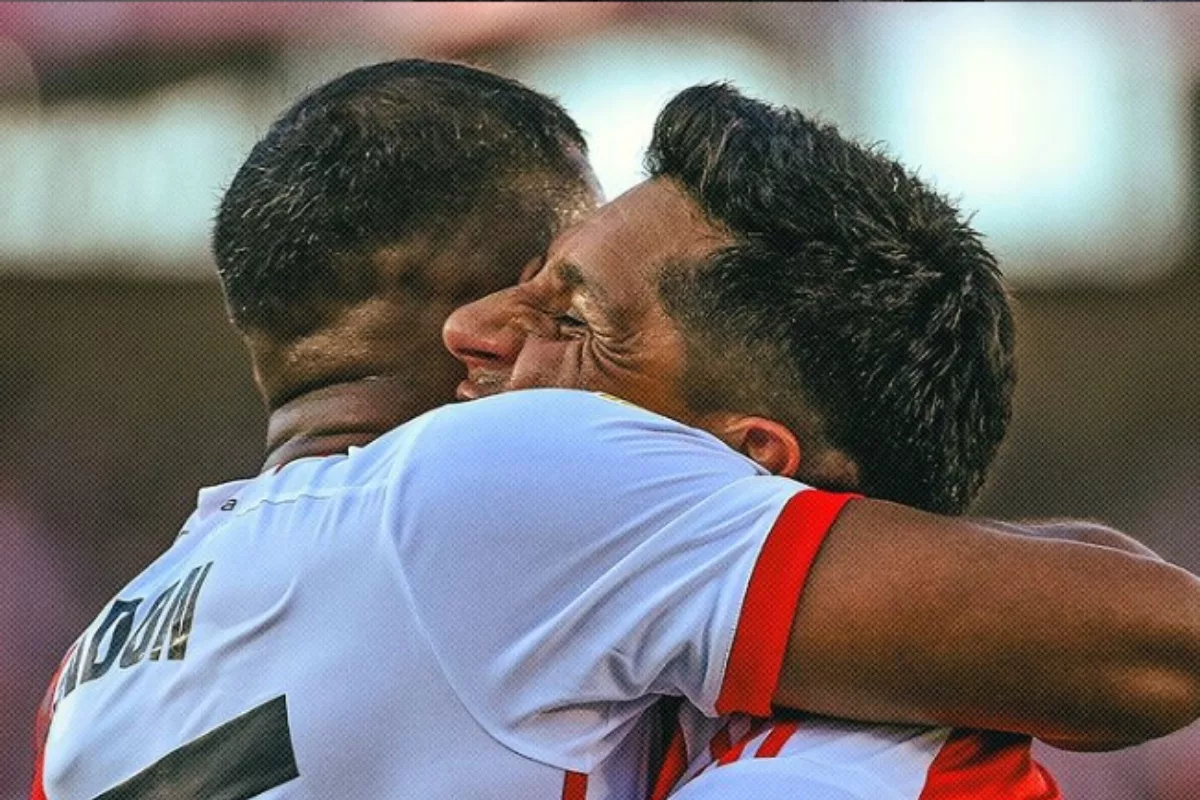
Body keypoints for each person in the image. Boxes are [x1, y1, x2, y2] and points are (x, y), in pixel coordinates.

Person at [31, 63, 1200, 800]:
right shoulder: (497, 477)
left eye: (569, 310)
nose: (477, 330)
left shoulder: (84, 677)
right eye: (527, 282)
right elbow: (1159, 635)